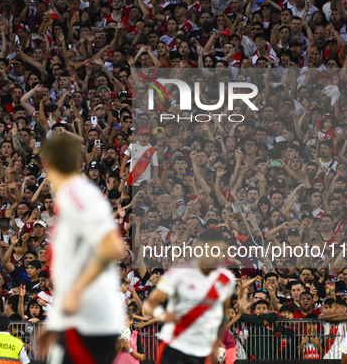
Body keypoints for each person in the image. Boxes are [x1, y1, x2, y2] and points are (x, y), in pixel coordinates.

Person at [37, 134, 125, 363]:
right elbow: (73, 268)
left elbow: (111, 247)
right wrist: (56, 322)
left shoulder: (75, 194)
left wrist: (75, 294)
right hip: (79, 318)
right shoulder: (72, 197)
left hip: (89, 317)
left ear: (46, 163)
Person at [142, 228, 236, 364]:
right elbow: (150, 303)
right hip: (175, 346)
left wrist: (216, 345)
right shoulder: (179, 274)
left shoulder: (226, 280)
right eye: (213, 250)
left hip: (203, 350)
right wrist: (162, 314)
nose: (217, 256)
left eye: (221, 251)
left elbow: (221, 315)